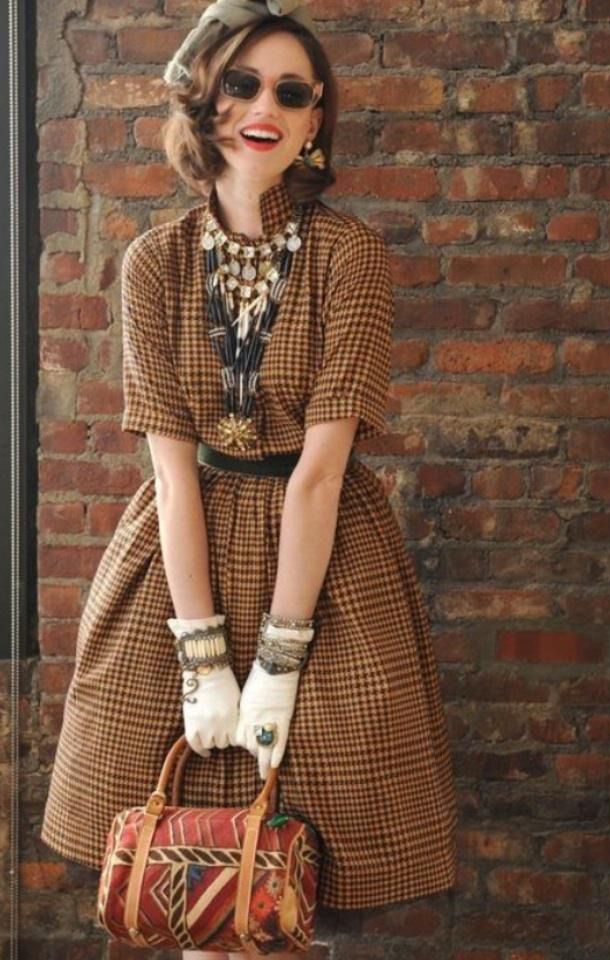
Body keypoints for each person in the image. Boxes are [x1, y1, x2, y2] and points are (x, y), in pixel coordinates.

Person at [40, 1, 458, 957]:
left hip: (325, 561)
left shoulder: (350, 255)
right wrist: (202, 657)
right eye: (243, 83)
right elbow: (171, 473)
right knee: (184, 869)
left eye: (292, 92)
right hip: (181, 562)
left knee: (309, 869)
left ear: (316, 123)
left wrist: (276, 659)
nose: (266, 107)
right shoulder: (153, 262)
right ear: (205, 100)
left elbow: (321, 472)